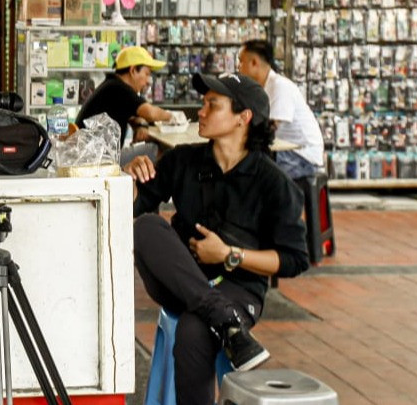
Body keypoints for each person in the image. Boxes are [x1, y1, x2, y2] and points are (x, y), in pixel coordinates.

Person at [123, 72, 310, 405]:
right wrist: (128, 176)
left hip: (239, 287)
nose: (201, 112)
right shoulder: (182, 160)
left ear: (243, 118)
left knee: (194, 331)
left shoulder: (274, 183)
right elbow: (132, 208)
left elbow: (294, 259)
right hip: (179, 282)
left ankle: (222, 320)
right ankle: (227, 324)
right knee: (146, 227)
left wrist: (230, 254)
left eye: (213, 104)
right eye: (203, 103)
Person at [237, 39, 325, 180]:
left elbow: (268, 130)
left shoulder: (280, 86)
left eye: (241, 62)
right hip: (285, 152)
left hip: (302, 157)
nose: (238, 68)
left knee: (249, 173)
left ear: (254, 63)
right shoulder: (261, 89)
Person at [76, 46, 179, 159]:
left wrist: (140, 126)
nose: (148, 81)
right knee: (157, 150)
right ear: (133, 70)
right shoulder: (120, 88)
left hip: (91, 157)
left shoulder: (112, 85)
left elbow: (131, 117)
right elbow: (150, 113)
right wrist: (173, 117)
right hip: (99, 161)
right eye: (146, 74)